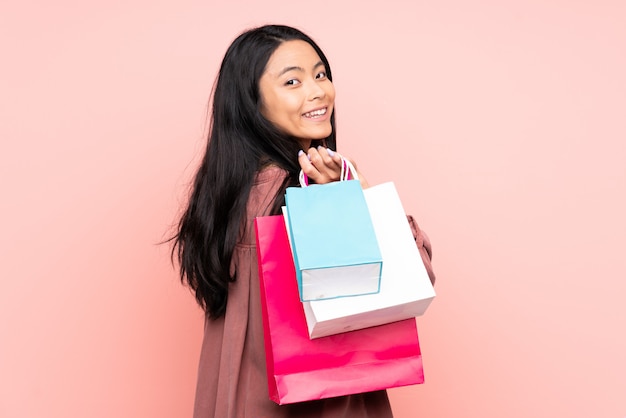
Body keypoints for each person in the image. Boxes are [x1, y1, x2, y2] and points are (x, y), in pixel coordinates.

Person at [171, 24, 436, 418]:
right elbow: (411, 277)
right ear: (252, 103)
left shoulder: (225, 195)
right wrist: (356, 195)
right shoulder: (303, 197)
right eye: (292, 81)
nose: (317, 92)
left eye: (320, 74)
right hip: (319, 403)